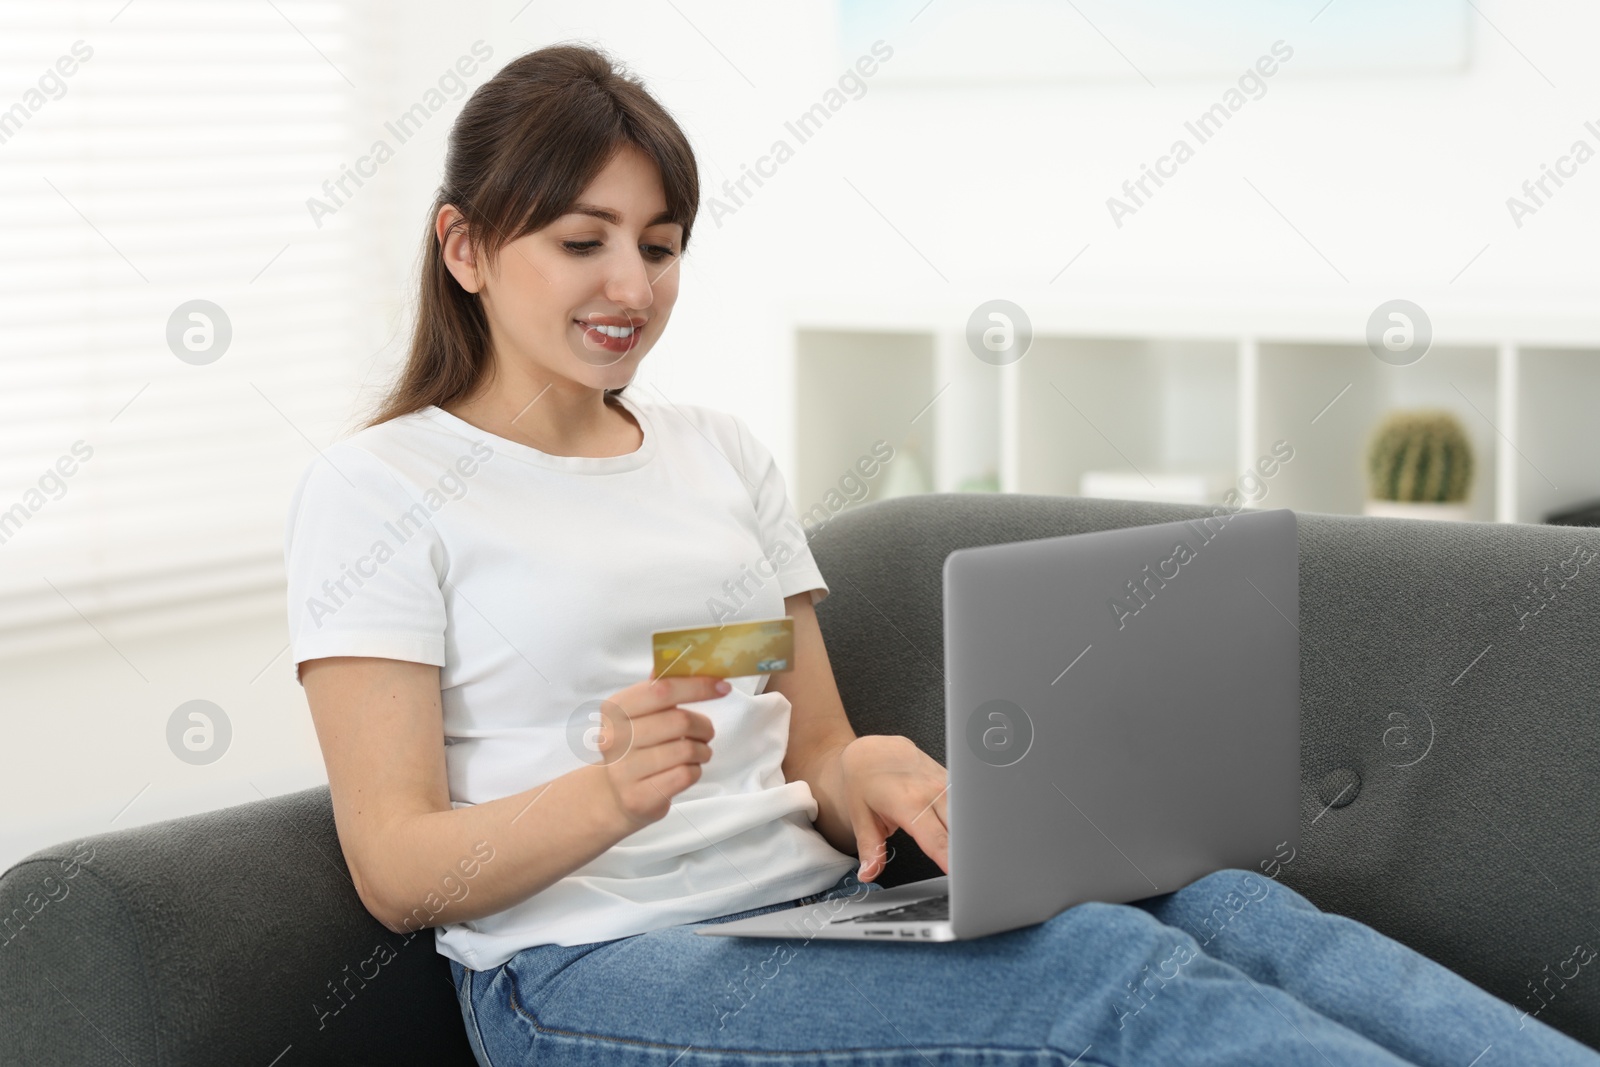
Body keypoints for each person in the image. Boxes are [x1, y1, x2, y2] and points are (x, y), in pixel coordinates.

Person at [283, 42, 1600, 1067]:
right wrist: (603, 802)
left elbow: (814, 752)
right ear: (464, 246)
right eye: (581, 242)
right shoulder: (381, 488)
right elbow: (396, 871)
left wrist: (880, 773)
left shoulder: (717, 453)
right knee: (1104, 977)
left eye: (661, 246)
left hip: (795, 910)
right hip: (580, 969)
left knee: (1231, 912)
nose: (630, 285)